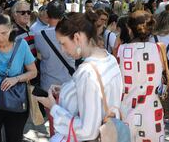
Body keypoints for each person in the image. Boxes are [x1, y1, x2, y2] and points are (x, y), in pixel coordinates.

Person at [35, 12, 123, 142]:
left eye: (63, 43)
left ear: (77, 38)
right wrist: (68, 89)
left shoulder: (87, 72)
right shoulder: (109, 59)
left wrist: (53, 107)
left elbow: (87, 131)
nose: (63, 50)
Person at [0, 14, 37, 142]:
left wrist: (16, 79)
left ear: (11, 29)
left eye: (4, 33)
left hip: (15, 102)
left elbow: (33, 72)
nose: (0, 38)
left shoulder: (21, 45)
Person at [117, 10, 165, 141]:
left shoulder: (121, 51)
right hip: (152, 114)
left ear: (129, 29)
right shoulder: (159, 49)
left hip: (126, 113)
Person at [34, 0, 75, 136]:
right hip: (70, 85)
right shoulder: (72, 34)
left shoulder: (39, 35)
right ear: (63, 16)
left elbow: (40, 55)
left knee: (54, 125)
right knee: (69, 125)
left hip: (49, 87)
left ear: (47, 15)